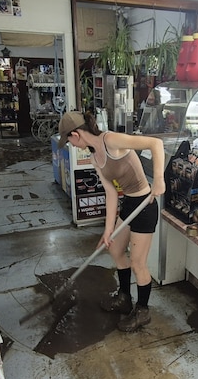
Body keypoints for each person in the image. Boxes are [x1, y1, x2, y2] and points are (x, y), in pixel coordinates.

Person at [58, 111, 166, 332]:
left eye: (69, 140)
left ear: (76, 134)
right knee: (115, 249)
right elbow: (111, 193)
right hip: (129, 204)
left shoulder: (111, 141)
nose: (71, 145)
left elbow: (156, 144)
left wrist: (159, 179)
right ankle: (124, 298)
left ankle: (142, 311)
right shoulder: (94, 158)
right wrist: (108, 230)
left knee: (138, 263)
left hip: (145, 205)